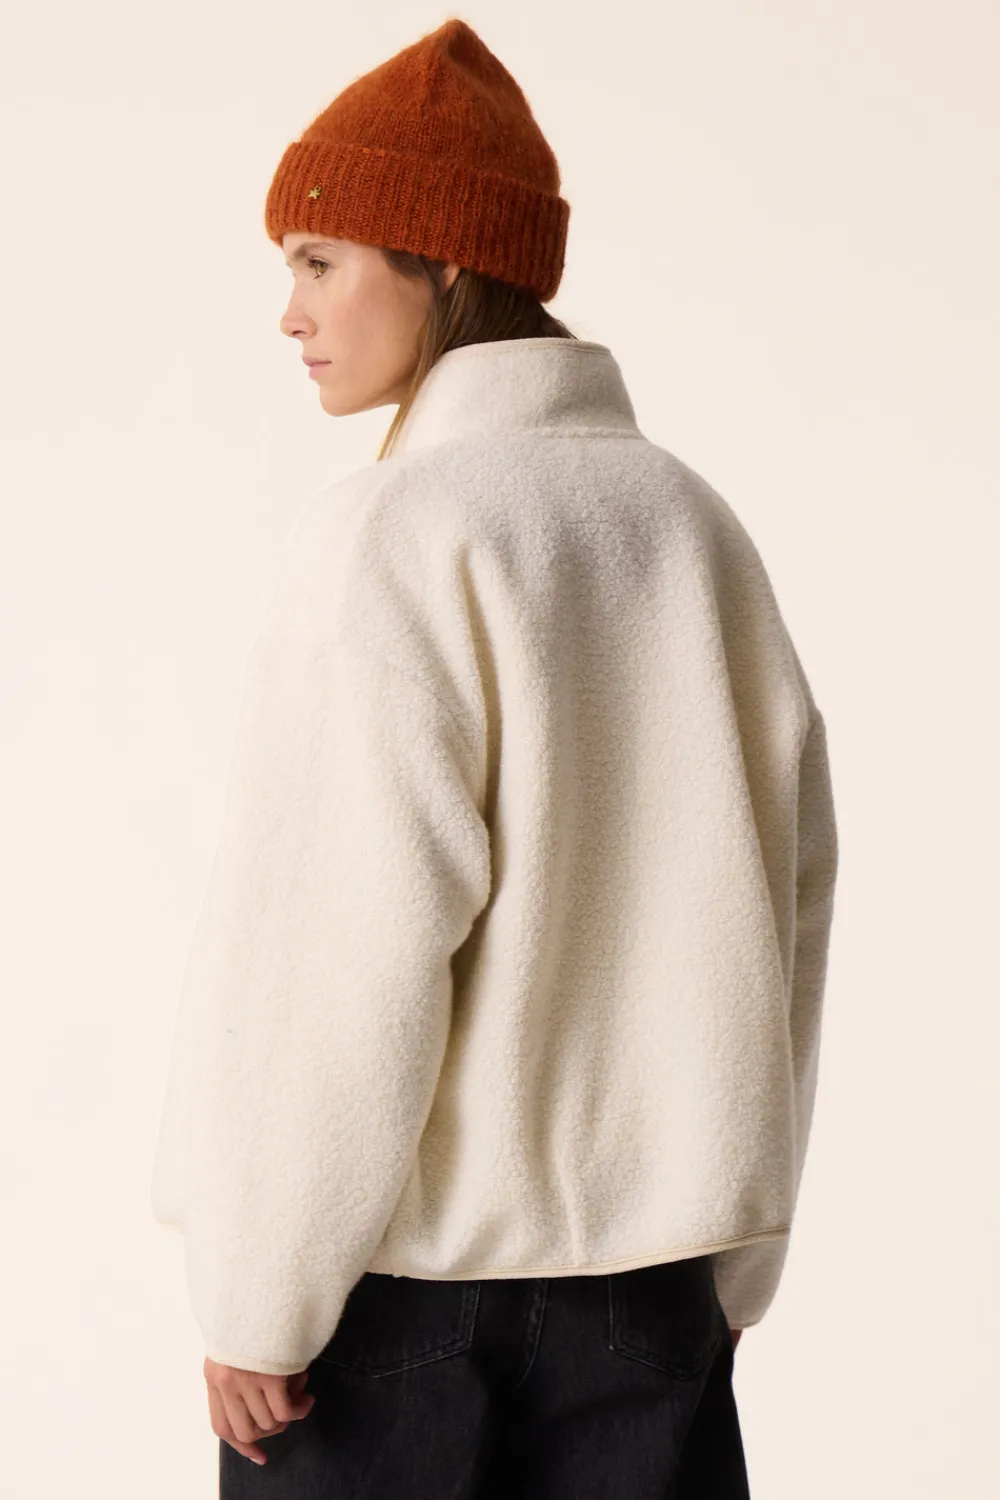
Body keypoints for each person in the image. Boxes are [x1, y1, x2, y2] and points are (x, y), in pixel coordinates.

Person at [150, 16, 839, 1498]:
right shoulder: (692, 529)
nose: (289, 312)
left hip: (399, 1320)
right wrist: (737, 1251)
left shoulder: (397, 534)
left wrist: (261, 1293)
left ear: (443, 261)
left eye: (320, 261)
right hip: (654, 1308)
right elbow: (787, 898)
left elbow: (342, 946)